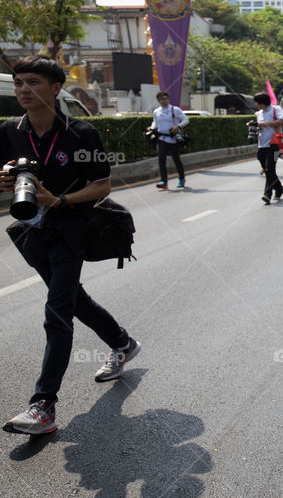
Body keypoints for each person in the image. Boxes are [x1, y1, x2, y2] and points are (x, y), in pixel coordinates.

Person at [0, 56, 140, 436]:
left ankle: (43, 405)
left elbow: (102, 185)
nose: (24, 91)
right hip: (32, 232)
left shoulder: (80, 133)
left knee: (56, 311)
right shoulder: (9, 130)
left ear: (56, 87)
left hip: (72, 229)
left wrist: (58, 201)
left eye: (33, 83)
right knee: (73, 299)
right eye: (19, 84)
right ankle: (122, 343)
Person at [151, 91, 189, 189]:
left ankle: (181, 178)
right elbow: (155, 122)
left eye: (165, 98)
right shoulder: (156, 111)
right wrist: (151, 127)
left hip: (173, 138)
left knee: (176, 159)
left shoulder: (175, 109)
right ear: (158, 101)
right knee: (161, 159)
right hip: (162, 138)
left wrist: (178, 126)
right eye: (161, 99)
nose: (163, 101)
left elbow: (186, 120)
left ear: (168, 99)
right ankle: (164, 181)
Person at [253, 93, 283, 204]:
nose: (256, 104)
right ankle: (279, 188)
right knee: (267, 170)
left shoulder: (276, 109)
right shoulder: (259, 113)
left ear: (263, 102)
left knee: (269, 169)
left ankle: (267, 194)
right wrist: (255, 126)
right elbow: (260, 127)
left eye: (257, 102)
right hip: (262, 145)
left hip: (274, 144)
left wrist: (266, 124)